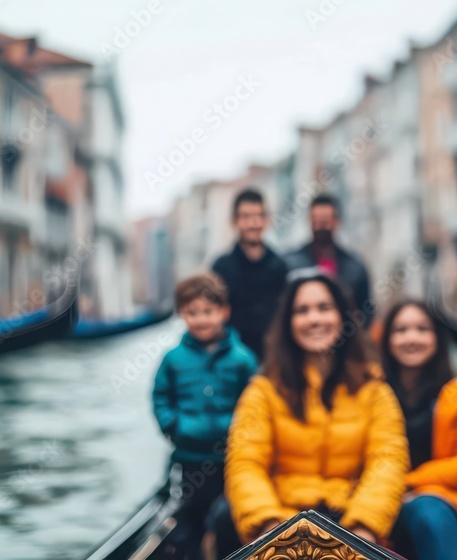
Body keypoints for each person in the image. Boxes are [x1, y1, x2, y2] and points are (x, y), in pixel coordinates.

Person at [216, 272, 409, 557]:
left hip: (349, 518)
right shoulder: (263, 390)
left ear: (342, 316)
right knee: (223, 516)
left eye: (324, 308)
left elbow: (388, 461)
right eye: (302, 310)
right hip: (280, 517)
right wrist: (273, 530)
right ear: (289, 322)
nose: (314, 319)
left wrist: (362, 531)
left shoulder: (375, 390)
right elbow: (246, 463)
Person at [379, 299, 457, 560]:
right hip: (381, 500)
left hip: (444, 500)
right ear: (387, 339)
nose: (411, 338)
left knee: (428, 511)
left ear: (437, 338)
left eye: (422, 329)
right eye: (401, 330)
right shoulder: (371, 394)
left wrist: (410, 483)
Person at [151, 273, 258, 560]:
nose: (201, 320)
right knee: (191, 517)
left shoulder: (242, 359)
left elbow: (255, 402)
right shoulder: (173, 359)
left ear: (224, 312)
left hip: (231, 458)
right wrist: (172, 425)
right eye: (192, 313)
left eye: (208, 312)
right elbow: (161, 397)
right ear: (182, 314)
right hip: (189, 456)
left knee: (228, 517)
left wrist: (243, 433)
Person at [211, 188, 288, 362]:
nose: (253, 223)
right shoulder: (221, 268)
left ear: (267, 220)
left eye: (259, 216)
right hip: (231, 360)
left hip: (273, 358)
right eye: (246, 217)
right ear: (234, 221)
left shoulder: (280, 267)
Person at [283, 194, 373, 328]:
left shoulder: (355, 267)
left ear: (337, 222)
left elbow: (366, 310)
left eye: (325, 221)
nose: (320, 227)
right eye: (316, 221)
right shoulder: (291, 263)